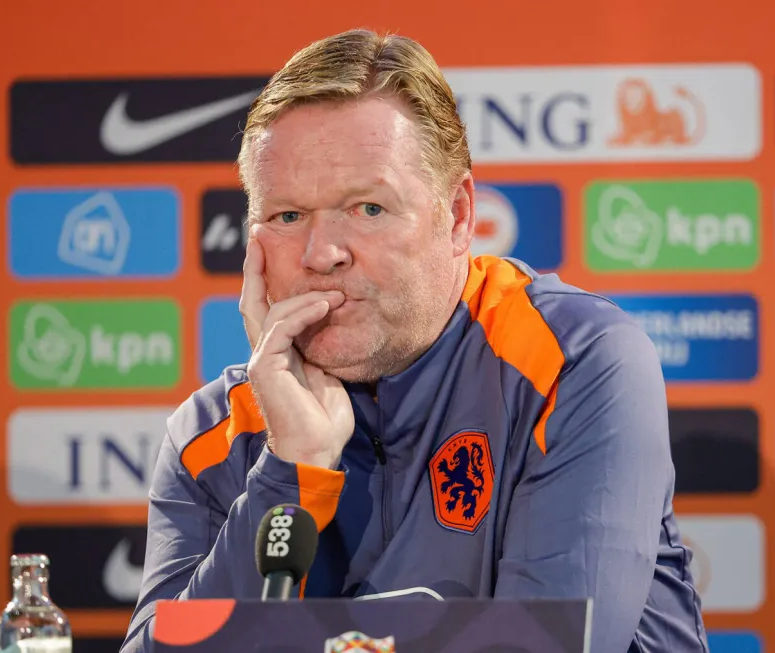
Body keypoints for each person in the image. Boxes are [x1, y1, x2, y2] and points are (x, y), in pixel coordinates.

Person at [121, 28, 709, 653]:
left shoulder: (571, 362)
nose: (322, 254)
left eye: (367, 209)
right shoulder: (210, 433)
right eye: (287, 216)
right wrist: (291, 470)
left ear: (458, 218)